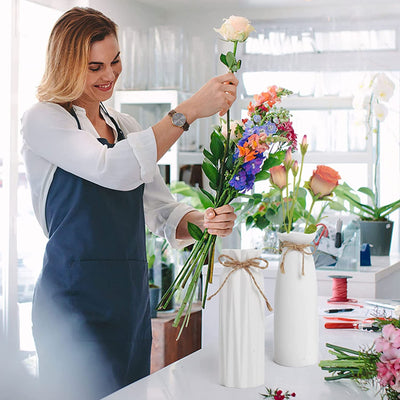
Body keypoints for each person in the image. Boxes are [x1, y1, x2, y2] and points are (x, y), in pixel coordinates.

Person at [21, 7, 238, 400]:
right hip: (72, 306)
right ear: (66, 65)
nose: (109, 75)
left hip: (131, 302)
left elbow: (160, 211)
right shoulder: (43, 120)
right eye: (94, 66)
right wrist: (188, 111)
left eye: (115, 60)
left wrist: (203, 221)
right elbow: (110, 169)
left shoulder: (129, 128)